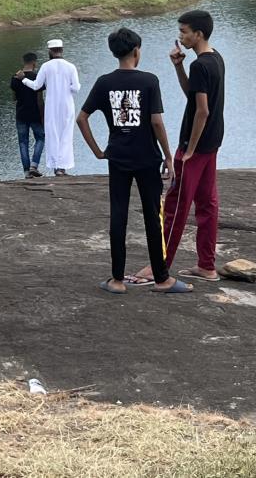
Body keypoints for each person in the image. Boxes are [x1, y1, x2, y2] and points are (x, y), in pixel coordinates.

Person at [77, 27, 192, 295]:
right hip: (146, 158)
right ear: (137, 51)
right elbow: (155, 121)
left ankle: (116, 280)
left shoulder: (105, 82)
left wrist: (97, 150)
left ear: (114, 52)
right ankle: (162, 279)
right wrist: (168, 156)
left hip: (117, 157)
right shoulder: (149, 81)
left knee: (118, 215)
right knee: (153, 216)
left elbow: (81, 117)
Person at [132, 10, 226, 284]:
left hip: (196, 146)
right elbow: (193, 97)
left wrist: (189, 150)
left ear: (199, 33)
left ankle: (159, 267)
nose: (181, 36)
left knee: (175, 206)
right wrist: (178, 67)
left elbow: (202, 112)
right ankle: (207, 266)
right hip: (212, 143)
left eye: (184, 31)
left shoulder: (201, 65)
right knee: (207, 204)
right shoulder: (214, 59)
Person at [20, 39, 80, 175]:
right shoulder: (71, 67)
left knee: (52, 135)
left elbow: (36, 86)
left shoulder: (46, 67)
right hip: (67, 105)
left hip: (52, 106)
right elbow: (76, 88)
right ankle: (62, 168)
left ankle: (55, 166)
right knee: (66, 135)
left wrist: (23, 79)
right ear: (62, 50)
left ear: (50, 51)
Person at [11, 52, 45, 178]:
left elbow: (14, 98)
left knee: (23, 142)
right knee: (41, 138)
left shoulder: (15, 78)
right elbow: (39, 99)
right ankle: (34, 165)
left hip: (21, 114)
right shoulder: (37, 77)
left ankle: (26, 172)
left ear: (23, 62)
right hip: (35, 113)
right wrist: (42, 115)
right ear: (34, 63)